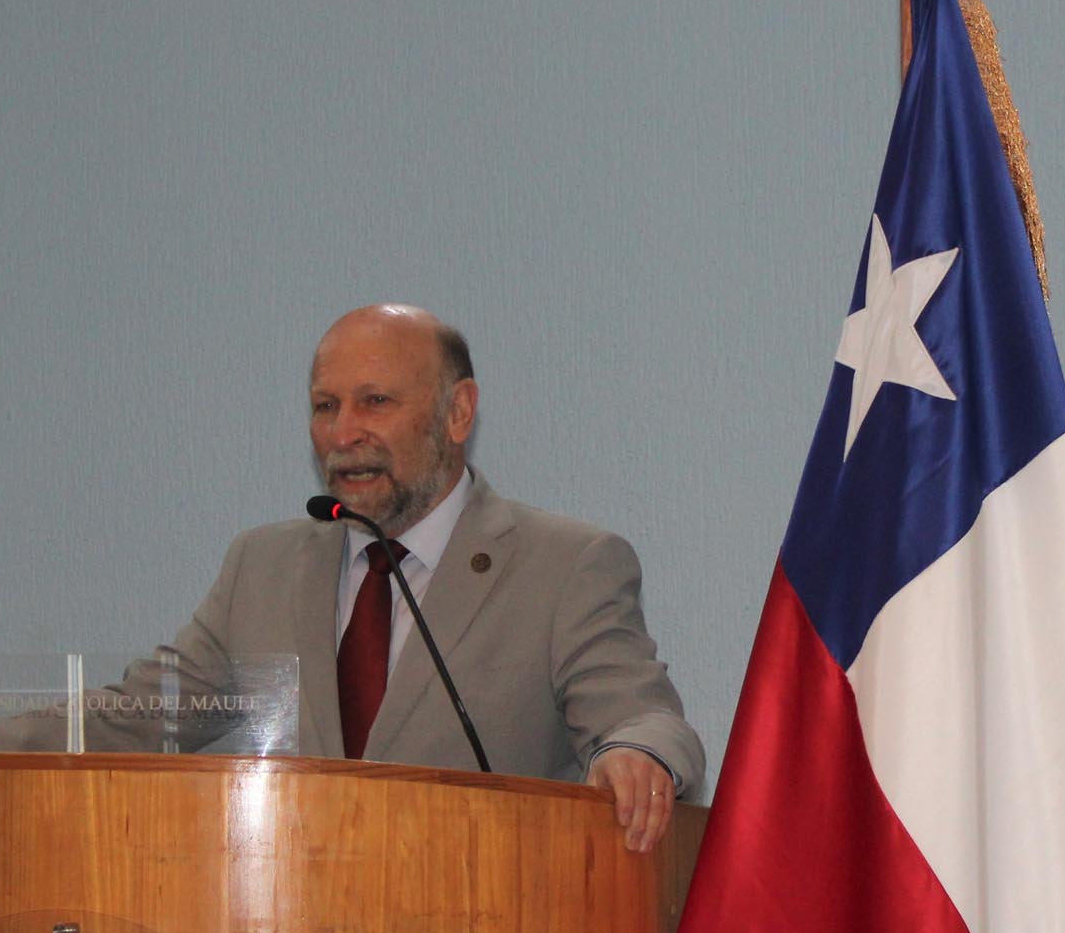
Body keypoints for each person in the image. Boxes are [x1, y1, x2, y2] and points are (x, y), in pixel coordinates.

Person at [129, 303, 701, 853]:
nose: (343, 433)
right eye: (326, 406)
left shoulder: (565, 565)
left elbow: (641, 716)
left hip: (482, 925)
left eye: (375, 401)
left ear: (458, 412)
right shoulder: (262, 565)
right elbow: (145, 713)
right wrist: (41, 725)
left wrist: (634, 752)